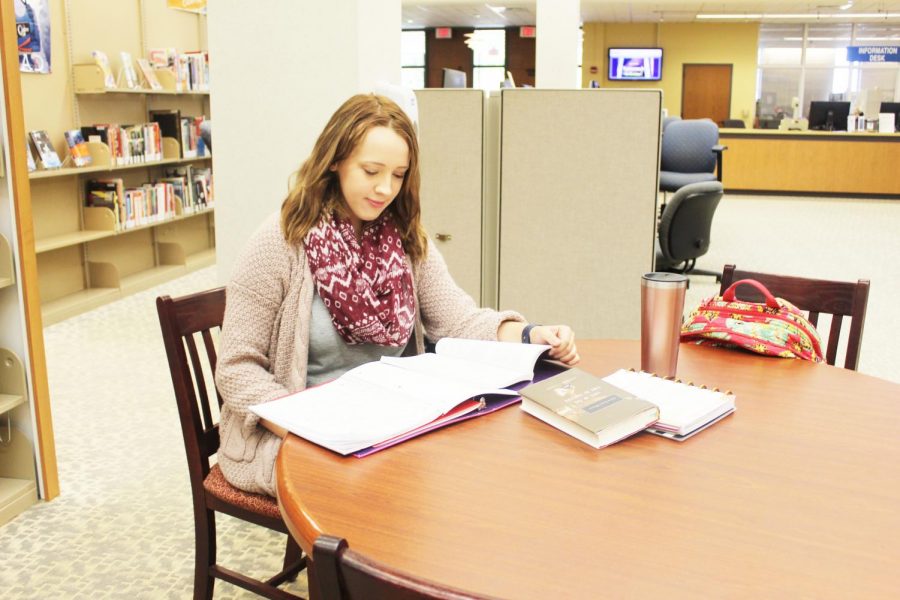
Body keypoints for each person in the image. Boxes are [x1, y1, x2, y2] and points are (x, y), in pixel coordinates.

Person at [215, 94, 579, 496]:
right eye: (371, 171)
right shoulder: (281, 242)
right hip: (300, 434)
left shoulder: (403, 239)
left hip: (389, 425)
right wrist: (308, 427)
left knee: (476, 475)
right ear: (334, 161)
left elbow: (457, 320)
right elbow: (236, 369)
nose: (385, 188)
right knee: (400, 499)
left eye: (399, 174)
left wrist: (529, 335)